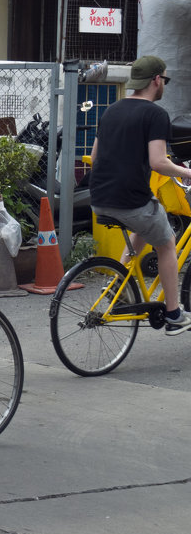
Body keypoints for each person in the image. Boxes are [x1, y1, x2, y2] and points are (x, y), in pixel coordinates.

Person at [89, 55, 191, 335]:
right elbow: (158, 162)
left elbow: (96, 156)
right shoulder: (156, 114)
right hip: (130, 200)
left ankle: (117, 288)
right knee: (167, 242)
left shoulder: (111, 110)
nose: (164, 85)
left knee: (146, 221)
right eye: (165, 80)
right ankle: (173, 315)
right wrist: (187, 174)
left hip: (99, 198)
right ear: (156, 80)